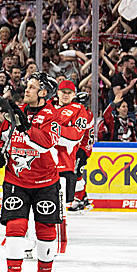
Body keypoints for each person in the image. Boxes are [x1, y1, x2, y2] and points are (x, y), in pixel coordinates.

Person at [0, 72, 63, 272]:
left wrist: (26, 128)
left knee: (46, 231)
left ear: (43, 92)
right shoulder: (16, 112)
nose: (27, 90)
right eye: (27, 86)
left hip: (46, 183)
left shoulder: (53, 115)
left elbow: (45, 144)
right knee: (15, 229)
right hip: (16, 181)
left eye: (32, 87)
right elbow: (4, 139)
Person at [53, 80, 91, 214]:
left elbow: (76, 135)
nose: (66, 95)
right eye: (63, 92)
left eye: (69, 93)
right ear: (58, 92)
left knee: (62, 207)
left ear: (74, 95)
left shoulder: (78, 109)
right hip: (44, 161)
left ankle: (80, 200)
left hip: (65, 160)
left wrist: (52, 131)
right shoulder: (48, 106)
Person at [69, 91, 96, 212]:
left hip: (81, 149)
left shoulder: (85, 115)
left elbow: (77, 132)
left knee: (76, 174)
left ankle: (79, 200)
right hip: (83, 148)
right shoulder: (87, 113)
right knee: (76, 173)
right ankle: (84, 198)